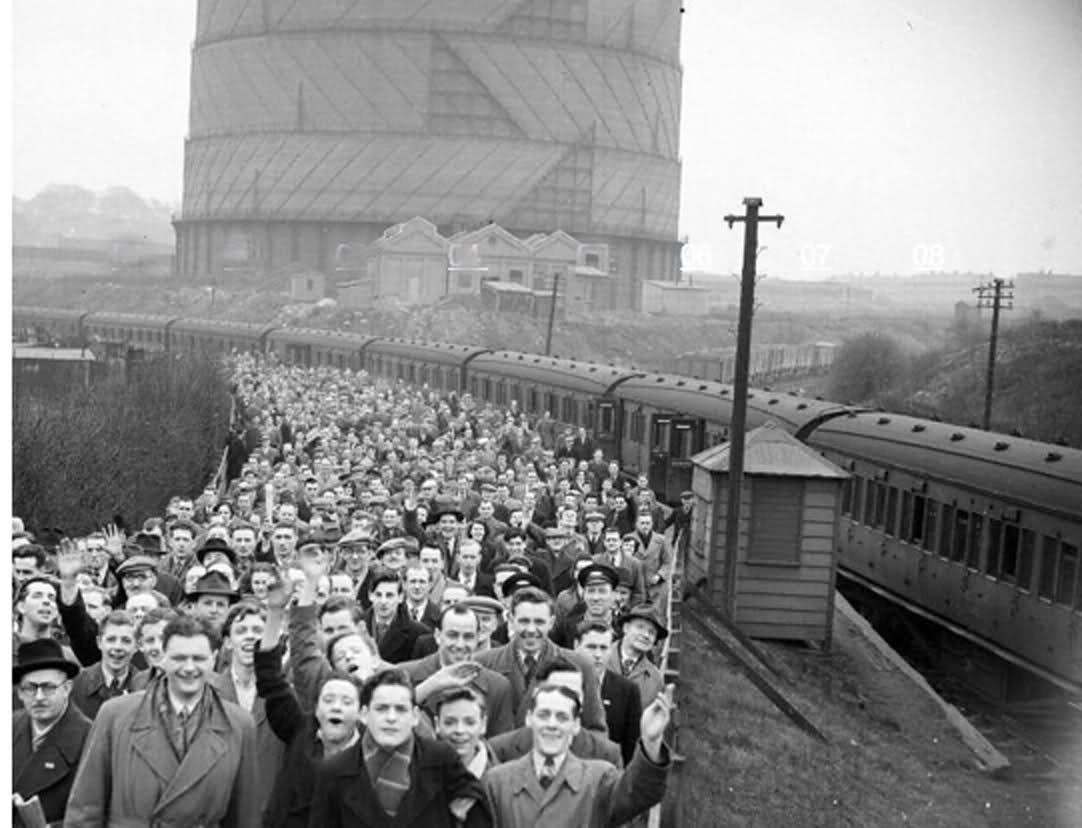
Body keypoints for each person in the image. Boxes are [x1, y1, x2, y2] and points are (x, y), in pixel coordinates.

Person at [64, 615, 261, 827]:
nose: (189, 668)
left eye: (199, 658)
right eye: (179, 658)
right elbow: (85, 810)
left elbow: (245, 817)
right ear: (164, 658)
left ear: (213, 658)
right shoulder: (115, 715)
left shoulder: (239, 724)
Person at [307, 668, 492, 827]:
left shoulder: (441, 759)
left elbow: (475, 807)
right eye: (382, 709)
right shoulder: (334, 771)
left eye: (401, 709)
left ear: (415, 716)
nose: (391, 718)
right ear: (364, 714)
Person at [482, 681, 675, 826]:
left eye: (562, 717)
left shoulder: (599, 780)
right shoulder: (497, 782)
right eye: (543, 715)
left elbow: (639, 792)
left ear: (575, 726)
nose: (552, 724)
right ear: (529, 719)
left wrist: (651, 742)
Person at [472, 587, 606, 733]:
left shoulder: (580, 665)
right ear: (510, 620)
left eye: (539, 622)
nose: (531, 629)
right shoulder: (483, 664)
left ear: (551, 622)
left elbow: (595, 730)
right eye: (524, 621)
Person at [399, 604, 514, 737]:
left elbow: (500, 744)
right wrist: (429, 686)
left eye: (468, 637)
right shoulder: (404, 675)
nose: (460, 644)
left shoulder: (498, 686)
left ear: (478, 638)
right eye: (452, 635)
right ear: (437, 635)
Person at [12, 639, 92, 827]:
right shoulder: (10, 725)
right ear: (19, 693)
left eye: (48, 687)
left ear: (67, 689)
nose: (39, 697)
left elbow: (93, 813)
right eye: (30, 688)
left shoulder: (90, 738)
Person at [487, 659, 621, 766]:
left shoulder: (606, 755)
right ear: (536, 694)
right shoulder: (500, 750)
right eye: (556, 690)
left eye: (572, 693)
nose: (564, 699)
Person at [575, 622, 642, 766]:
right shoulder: (558, 680)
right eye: (591, 647)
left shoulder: (628, 691)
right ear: (576, 646)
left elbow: (630, 747)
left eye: (604, 648)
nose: (598, 655)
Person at [69, 610, 148, 720]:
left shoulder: (147, 688)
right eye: (111, 640)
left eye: (126, 641)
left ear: (137, 646)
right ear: (99, 642)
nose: (118, 647)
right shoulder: (76, 684)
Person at [432, 687, 498, 780]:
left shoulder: (502, 780)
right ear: (437, 724)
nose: (460, 730)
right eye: (449, 722)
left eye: (470, 723)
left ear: (483, 724)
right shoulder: (419, 772)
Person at [608, 605, 667, 708]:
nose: (646, 635)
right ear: (626, 628)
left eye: (652, 632)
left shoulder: (656, 679)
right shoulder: (598, 658)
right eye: (640, 627)